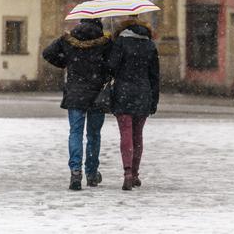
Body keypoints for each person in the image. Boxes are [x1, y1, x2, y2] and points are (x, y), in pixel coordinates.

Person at [42, 18, 112, 190]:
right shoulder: (105, 42)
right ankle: (91, 173)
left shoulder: (69, 40)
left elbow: (47, 53)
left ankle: (75, 172)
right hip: (97, 95)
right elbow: (113, 65)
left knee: (75, 133)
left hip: (75, 93)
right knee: (94, 135)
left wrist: (66, 62)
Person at [108, 16, 160, 191]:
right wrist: (154, 100)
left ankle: (127, 172)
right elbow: (155, 77)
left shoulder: (121, 42)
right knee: (138, 135)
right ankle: (136, 174)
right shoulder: (150, 45)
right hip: (143, 93)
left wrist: (111, 48)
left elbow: (111, 67)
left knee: (126, 134)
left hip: (123, 93)